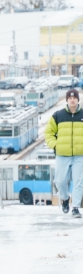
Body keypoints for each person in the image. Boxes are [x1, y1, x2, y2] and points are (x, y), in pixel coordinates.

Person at [46, 88, 83, 217]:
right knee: (60, 181)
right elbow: (49, 133)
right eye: (70, 98)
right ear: (67, 100)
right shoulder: (58, 115)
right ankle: (65, 199)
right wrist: (55, 146)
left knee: (78, 181)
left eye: (74, 98)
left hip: (80, 155)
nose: (72, 100)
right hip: (62, 154)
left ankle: (76, 207)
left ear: (78, 99)